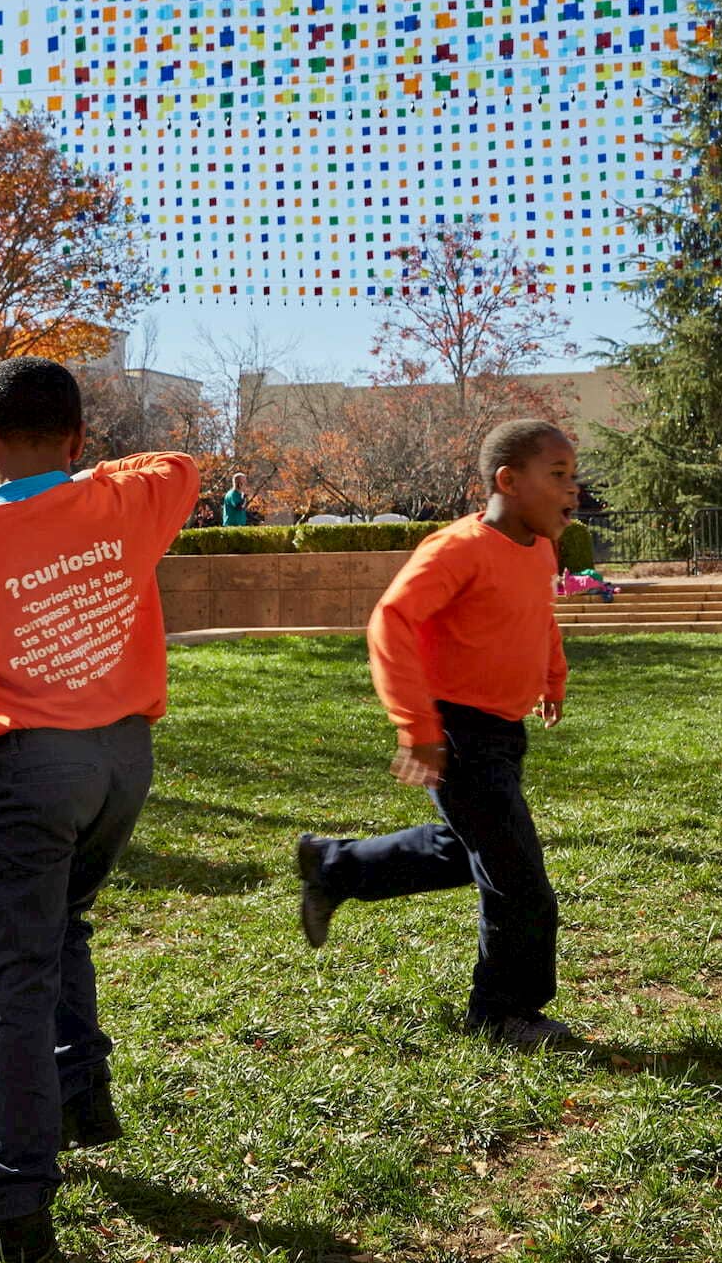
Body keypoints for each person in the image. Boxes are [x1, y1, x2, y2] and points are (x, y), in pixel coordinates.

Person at [0, 357, 199, 1263]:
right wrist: (86, 483)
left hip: (35, 772)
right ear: (81, 438)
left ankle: (11, 1205)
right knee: (67, 930)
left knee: (14, 981)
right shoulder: (127, 502)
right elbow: (176, 464)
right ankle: (78, 1099)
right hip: (124, 765)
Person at [293, 420, 578, 1050]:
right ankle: (502, 1013)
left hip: (503, 732)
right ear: (507, 480)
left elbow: (540, 619)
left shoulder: (539, 549)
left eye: (572, 475)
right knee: (518, 879)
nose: (573, 489)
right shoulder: (457, 549)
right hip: (458, 731)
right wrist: (417, 726)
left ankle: (334, 866)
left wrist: (552, 678)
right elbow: (390, 621)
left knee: (465, 850)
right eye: (557, 475)